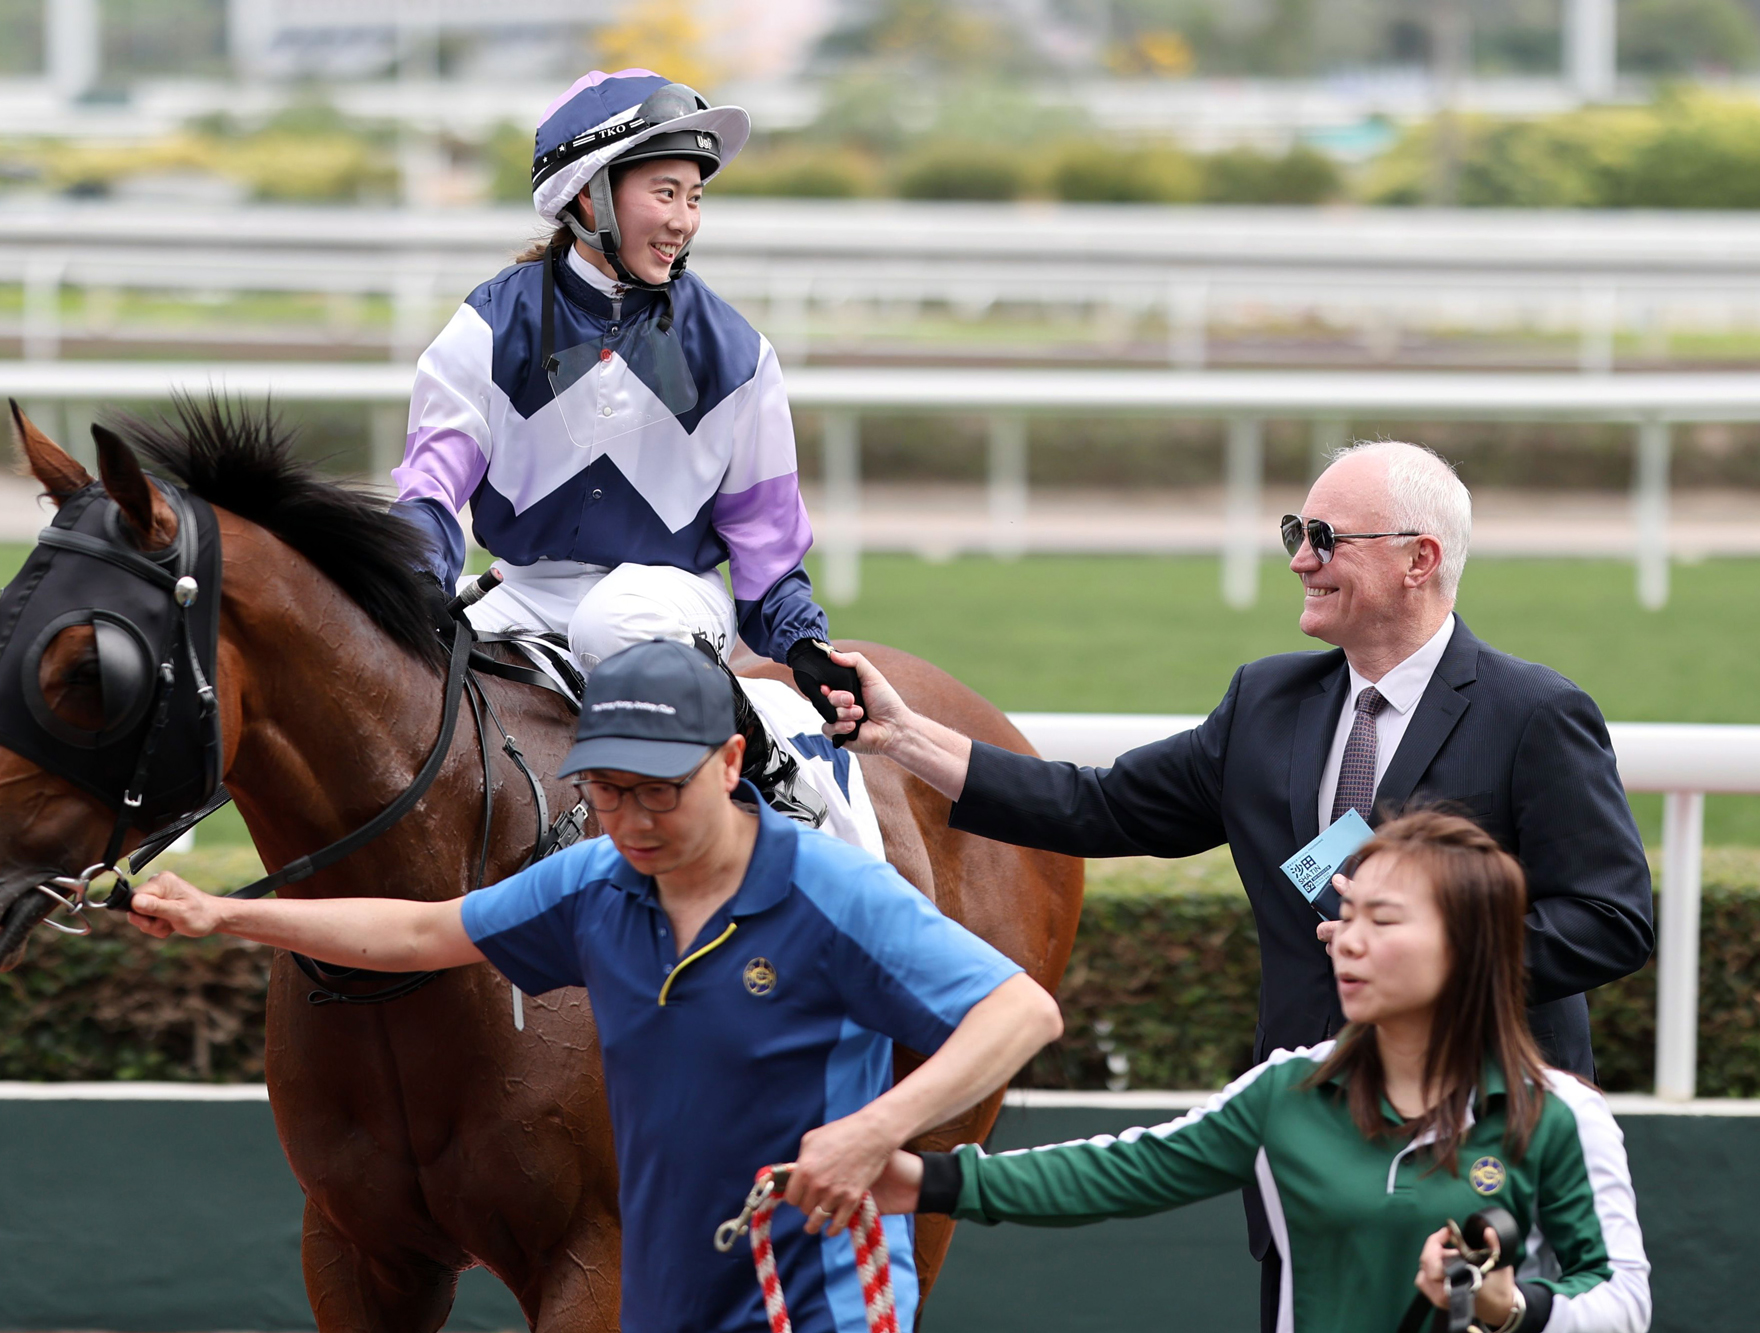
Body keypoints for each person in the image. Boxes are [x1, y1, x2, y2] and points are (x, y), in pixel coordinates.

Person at [818, 440, 1655, 1324]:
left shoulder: (1533, 714)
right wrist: (904, 737)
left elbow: (1612, 919)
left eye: (1327, 537)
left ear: (1422, 558)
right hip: (1311, 1155)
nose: (1300, 558)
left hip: (1487, 1147)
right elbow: (1097, 807)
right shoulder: (1266, 703)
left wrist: (1430, 969)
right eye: (1298, 531)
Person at [124, 638, 1062, 1333]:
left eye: (661, 788)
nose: (634, 817)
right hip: (666, 1296)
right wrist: (226, 914)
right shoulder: (592, 882)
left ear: (732, 763)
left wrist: (872, 1130)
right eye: (609, 790)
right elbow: (421, 930)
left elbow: (1021, 1010)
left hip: (819, 1303)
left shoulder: (832, 884)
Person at [870, 811, 1652, 1333]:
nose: (1346, 941)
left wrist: (1511, 1306)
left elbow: (1622, 1297)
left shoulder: (1560, 1115)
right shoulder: (1286, 1092)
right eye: (1345, 918)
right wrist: (927, 1181)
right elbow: (1119, 1171)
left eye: (1381, 921)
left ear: (1470, 947)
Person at [389, 68, 862, 813]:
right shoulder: (486, 329)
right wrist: (413, 575)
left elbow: (763, 535)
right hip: (525, 592)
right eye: (665, 193)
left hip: (673, 598)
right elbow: (432, 486)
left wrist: (802, 645)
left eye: (694, 197)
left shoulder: (735, 352)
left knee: (614, 619)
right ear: (588, 193)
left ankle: (774, 772)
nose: (684, 220)